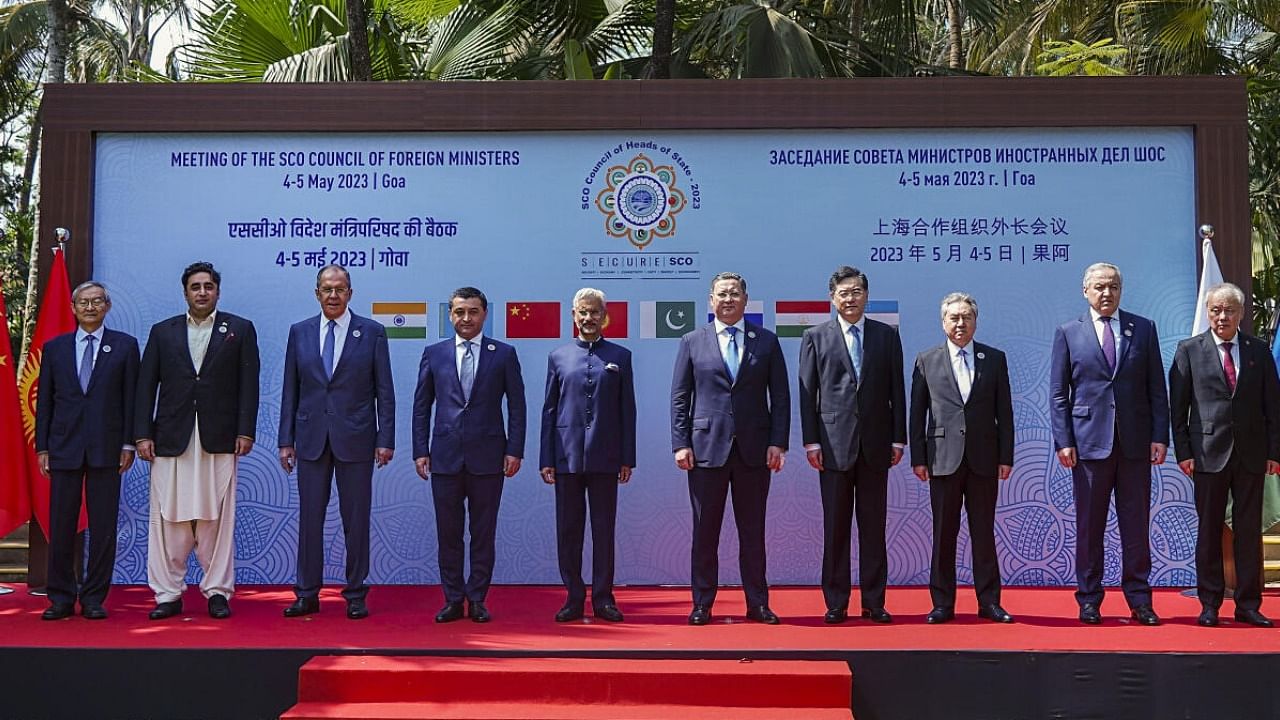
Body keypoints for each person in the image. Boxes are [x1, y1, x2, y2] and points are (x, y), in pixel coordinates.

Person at [135, 261, 259, 620]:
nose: (202, 292)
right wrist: (142, 434)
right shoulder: (163, 332)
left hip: (218, 438)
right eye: (195, 286)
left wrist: (245, 430)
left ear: (217, 291)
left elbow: (248, 386)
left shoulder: (239, 329)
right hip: (170, 438)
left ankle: (217, 591)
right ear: (185, 292)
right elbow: (146, 386)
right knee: (167, 518)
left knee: (216, 518)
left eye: (208, 286)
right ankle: (168, 594)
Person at [1049, 262, 1168, 626]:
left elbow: (1156, 390)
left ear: (1121, 290)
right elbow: (1058, 394)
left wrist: (1159, 436)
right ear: (1085, 290)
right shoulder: (1069, 332)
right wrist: (1063, 441)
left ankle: (1139, 600)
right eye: (1099, 287)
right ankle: (1089, 599)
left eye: (1113, 286)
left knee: (1135, 526)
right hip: (1088, 446)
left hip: (1133, 445)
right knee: (1090, 527)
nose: (1107, 293)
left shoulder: (1143, 329)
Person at [671, 271, 789, 626]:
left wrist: (778, 443)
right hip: (706, 449)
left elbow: (780, 397)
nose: (728, 299)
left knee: (753, 532)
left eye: (734, 294)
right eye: (721, 294)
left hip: (754, 450)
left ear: (745, 299)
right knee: (705, 532)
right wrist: (680, 443)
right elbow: (680, 397)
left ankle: (757, 603)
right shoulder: (693, 341)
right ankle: (702, 603)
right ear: (710, 300)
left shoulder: (766, 341)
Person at [278, 265, 394, 620]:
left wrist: (385, 438)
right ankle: (307, 593)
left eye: (339, 289)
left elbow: (384, 392)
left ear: (350, 293)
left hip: (357, 440)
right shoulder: (300, 332)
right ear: (317, 293)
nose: (333, 295)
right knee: (310, 520)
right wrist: (286, 440)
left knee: (355, 520)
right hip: (311, 439)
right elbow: (290, 390)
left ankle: (356, 593)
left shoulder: (372, 332)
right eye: (326, 289)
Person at [1169, 282, 1280, 628]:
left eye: (1229, 310)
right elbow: (1178, 408)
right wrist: (1183, 452)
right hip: (1206, 455)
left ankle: (1248, 603)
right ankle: (1210, 603)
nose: (1222, 316)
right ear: (1208, 312)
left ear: (1241, 314)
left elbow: (1273, 407)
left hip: (1251, 456)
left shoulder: (1258, 351)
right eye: (1216, 310)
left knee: (1249, 532)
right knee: (1209, 532)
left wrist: (1274, 452)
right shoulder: (1189, 350)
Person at [798, 265, 905, 624]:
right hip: (832, 445)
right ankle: (836, 602)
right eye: (843, 293)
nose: (850, 298)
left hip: (876, 445)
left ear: (866, 296)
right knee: (836, 527)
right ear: (832, 298)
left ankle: (875, 602)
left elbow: (896, 392)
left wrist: (898, 438)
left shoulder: (885, 336)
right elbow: (807, 393)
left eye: (856, 292)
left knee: (873, 527)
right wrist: (811, 442)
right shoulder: (815, 336)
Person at [413, 287, 526, 624]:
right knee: (448, 533)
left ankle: (477, 598)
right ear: (450, 314)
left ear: (484, 314)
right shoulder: (434, 353)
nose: (466, 318)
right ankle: (452, 598)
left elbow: (517, 407)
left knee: (482, 533)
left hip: (489, 457)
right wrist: (421, 450)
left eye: (473, 312)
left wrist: (514, 449)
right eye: (459, 312)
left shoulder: (503, 354)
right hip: (444, 457)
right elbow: (422, 407)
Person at [35, 281, 139, 620]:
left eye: (97, 301)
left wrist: (128, 442)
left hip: (107, 448)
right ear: (73, 307)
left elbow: (130, 401)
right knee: (61, 523)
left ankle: (94, 597)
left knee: (103, 525)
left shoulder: (124, 347)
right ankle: (61, 597)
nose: (90, 307)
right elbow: (45, 402)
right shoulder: (56, 348)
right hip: (63, 447)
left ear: (107, 306)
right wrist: (43, 447)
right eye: (83, 302)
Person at [908, 292, 1014, 624]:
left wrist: (1006, 456)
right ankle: (942, 603)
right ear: (943, 322)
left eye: (966, 316)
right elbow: (917, 414)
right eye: (953, 317)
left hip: (984, 458)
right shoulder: (927, 360)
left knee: (983, 532)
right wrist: (918, 458)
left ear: (975, 321)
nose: (960, 323)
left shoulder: (994, 359)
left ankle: (989, 601)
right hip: (942, 459)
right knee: (944, 533)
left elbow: (1005, 414)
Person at [539, 288, 636, 623]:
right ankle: (574, 597)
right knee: (569, 530)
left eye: (595, 312)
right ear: (574, 315)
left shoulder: (620, 356)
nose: (588, 318)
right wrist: (546, 458)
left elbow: (628, 411)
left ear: (604, 315)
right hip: (566, 458)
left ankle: (604, 598)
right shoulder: (558, 356)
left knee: (603, 529)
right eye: (583, 312)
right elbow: (549, 411)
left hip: (606, 458)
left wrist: (627, 457)